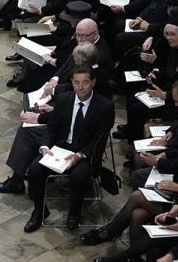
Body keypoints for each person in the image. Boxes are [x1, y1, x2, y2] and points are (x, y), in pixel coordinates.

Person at [22, 65, 115, 232]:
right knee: (34, 169)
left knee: (78, 176)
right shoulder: (64, 99)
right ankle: (40, 210)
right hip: (61, 147)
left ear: (93, 82)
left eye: (85, 82)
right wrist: (44, 146)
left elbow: (99, 140)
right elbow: (52, 128)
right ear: (72, 82)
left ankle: (75, 212)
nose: (81, 87)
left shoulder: (105, 106)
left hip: (85, 152)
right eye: (77, 82)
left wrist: (80, 155)